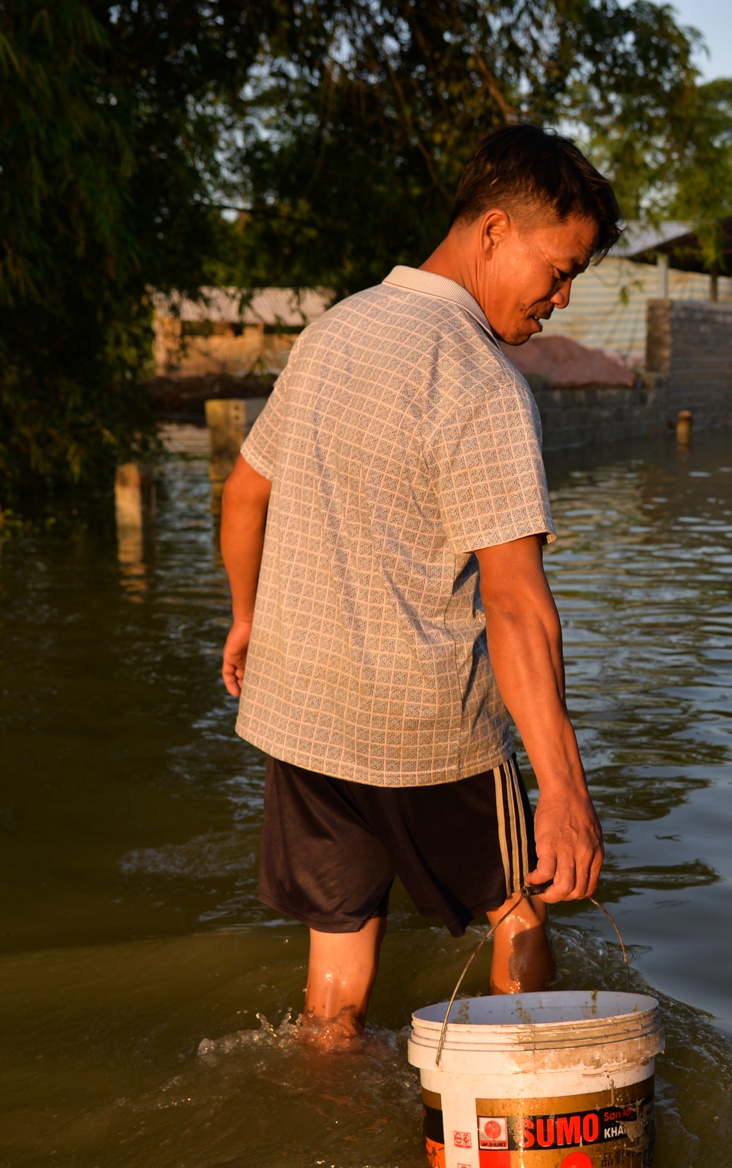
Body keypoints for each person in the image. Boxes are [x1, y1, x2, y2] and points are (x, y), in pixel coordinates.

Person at [218, 124, 618, 1050]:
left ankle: (327, 1123)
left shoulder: (333, 329)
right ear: (491, 232)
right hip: (428, 731)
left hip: (303, 710)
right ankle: (530, 1079)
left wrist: (247, 620)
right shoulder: (481, 380)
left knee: (335, 974)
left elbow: (245, 493)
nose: (561, 299)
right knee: (518, 913)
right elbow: (515, 600)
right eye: (557, 270)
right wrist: (561, 789)